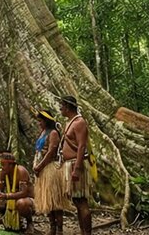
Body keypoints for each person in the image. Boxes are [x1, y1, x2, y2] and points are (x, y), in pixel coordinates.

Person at [59, 95, 93, 235]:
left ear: (67, 107)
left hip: (76, 165)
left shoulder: (79, 122)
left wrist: (77, 169)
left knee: (82, 201)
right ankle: (82, 231)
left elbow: (81, 146)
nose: (60, 109)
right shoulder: (69, 123)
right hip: (69, 164)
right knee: (77, 201)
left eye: (61, 106)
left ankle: (87, 233)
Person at [32, 110, 66, 235]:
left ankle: (60, 229)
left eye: (40, 121)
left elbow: (51, 152)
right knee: (47, 201)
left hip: (51, 169)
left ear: (46, 120)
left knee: (55, 201)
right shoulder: (43, 133)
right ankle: (52, 228)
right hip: (42, 170)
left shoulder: (53, 133)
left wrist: (40, 166)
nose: (39, 123)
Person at [0, 151, 34, 231]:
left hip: (28, 200)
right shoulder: (3, 172)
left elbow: (24, 193)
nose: (1, 167)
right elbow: (0, 186)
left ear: (11, 165)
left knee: (21, 203)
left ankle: (29, 222)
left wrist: (7, 196)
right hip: (11, 199)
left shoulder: (21, 171)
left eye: (3, 165)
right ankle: (5, 217)